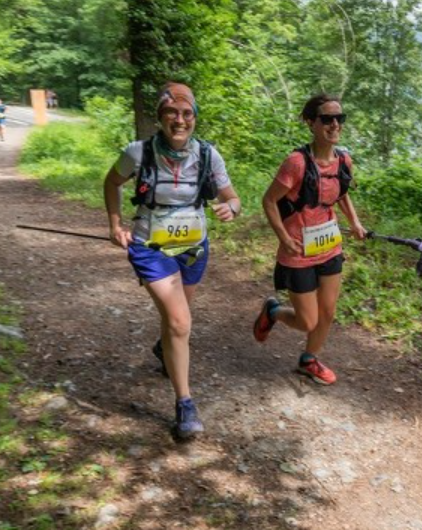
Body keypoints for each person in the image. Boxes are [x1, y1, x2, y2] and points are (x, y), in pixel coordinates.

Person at [103, 82, 241, 439]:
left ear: (194, 117)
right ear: (160, 116)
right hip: (151, 247)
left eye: (187, 113)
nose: (180, 120)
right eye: (172, 113)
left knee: (176, 320)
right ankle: (185, 404)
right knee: (180, 322)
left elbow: (233, 197)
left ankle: (164, 348)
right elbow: (112, 182)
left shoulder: (209, 155)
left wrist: (231, 208)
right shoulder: (138, 152)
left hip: (194, 247)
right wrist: (115, 224)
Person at [253, 94, 366, 385]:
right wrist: (283, 238)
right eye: (326, 119)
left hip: (329, 245)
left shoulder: (343, 159)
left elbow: (341, 193)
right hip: (298, 251)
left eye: (339, 119)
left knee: (327, 312)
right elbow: (268, 201)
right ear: (311, 123)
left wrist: (353, 221)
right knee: (307, 320)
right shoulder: (296, 162)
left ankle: (309, 360)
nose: (334, 125)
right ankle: (274, 311)